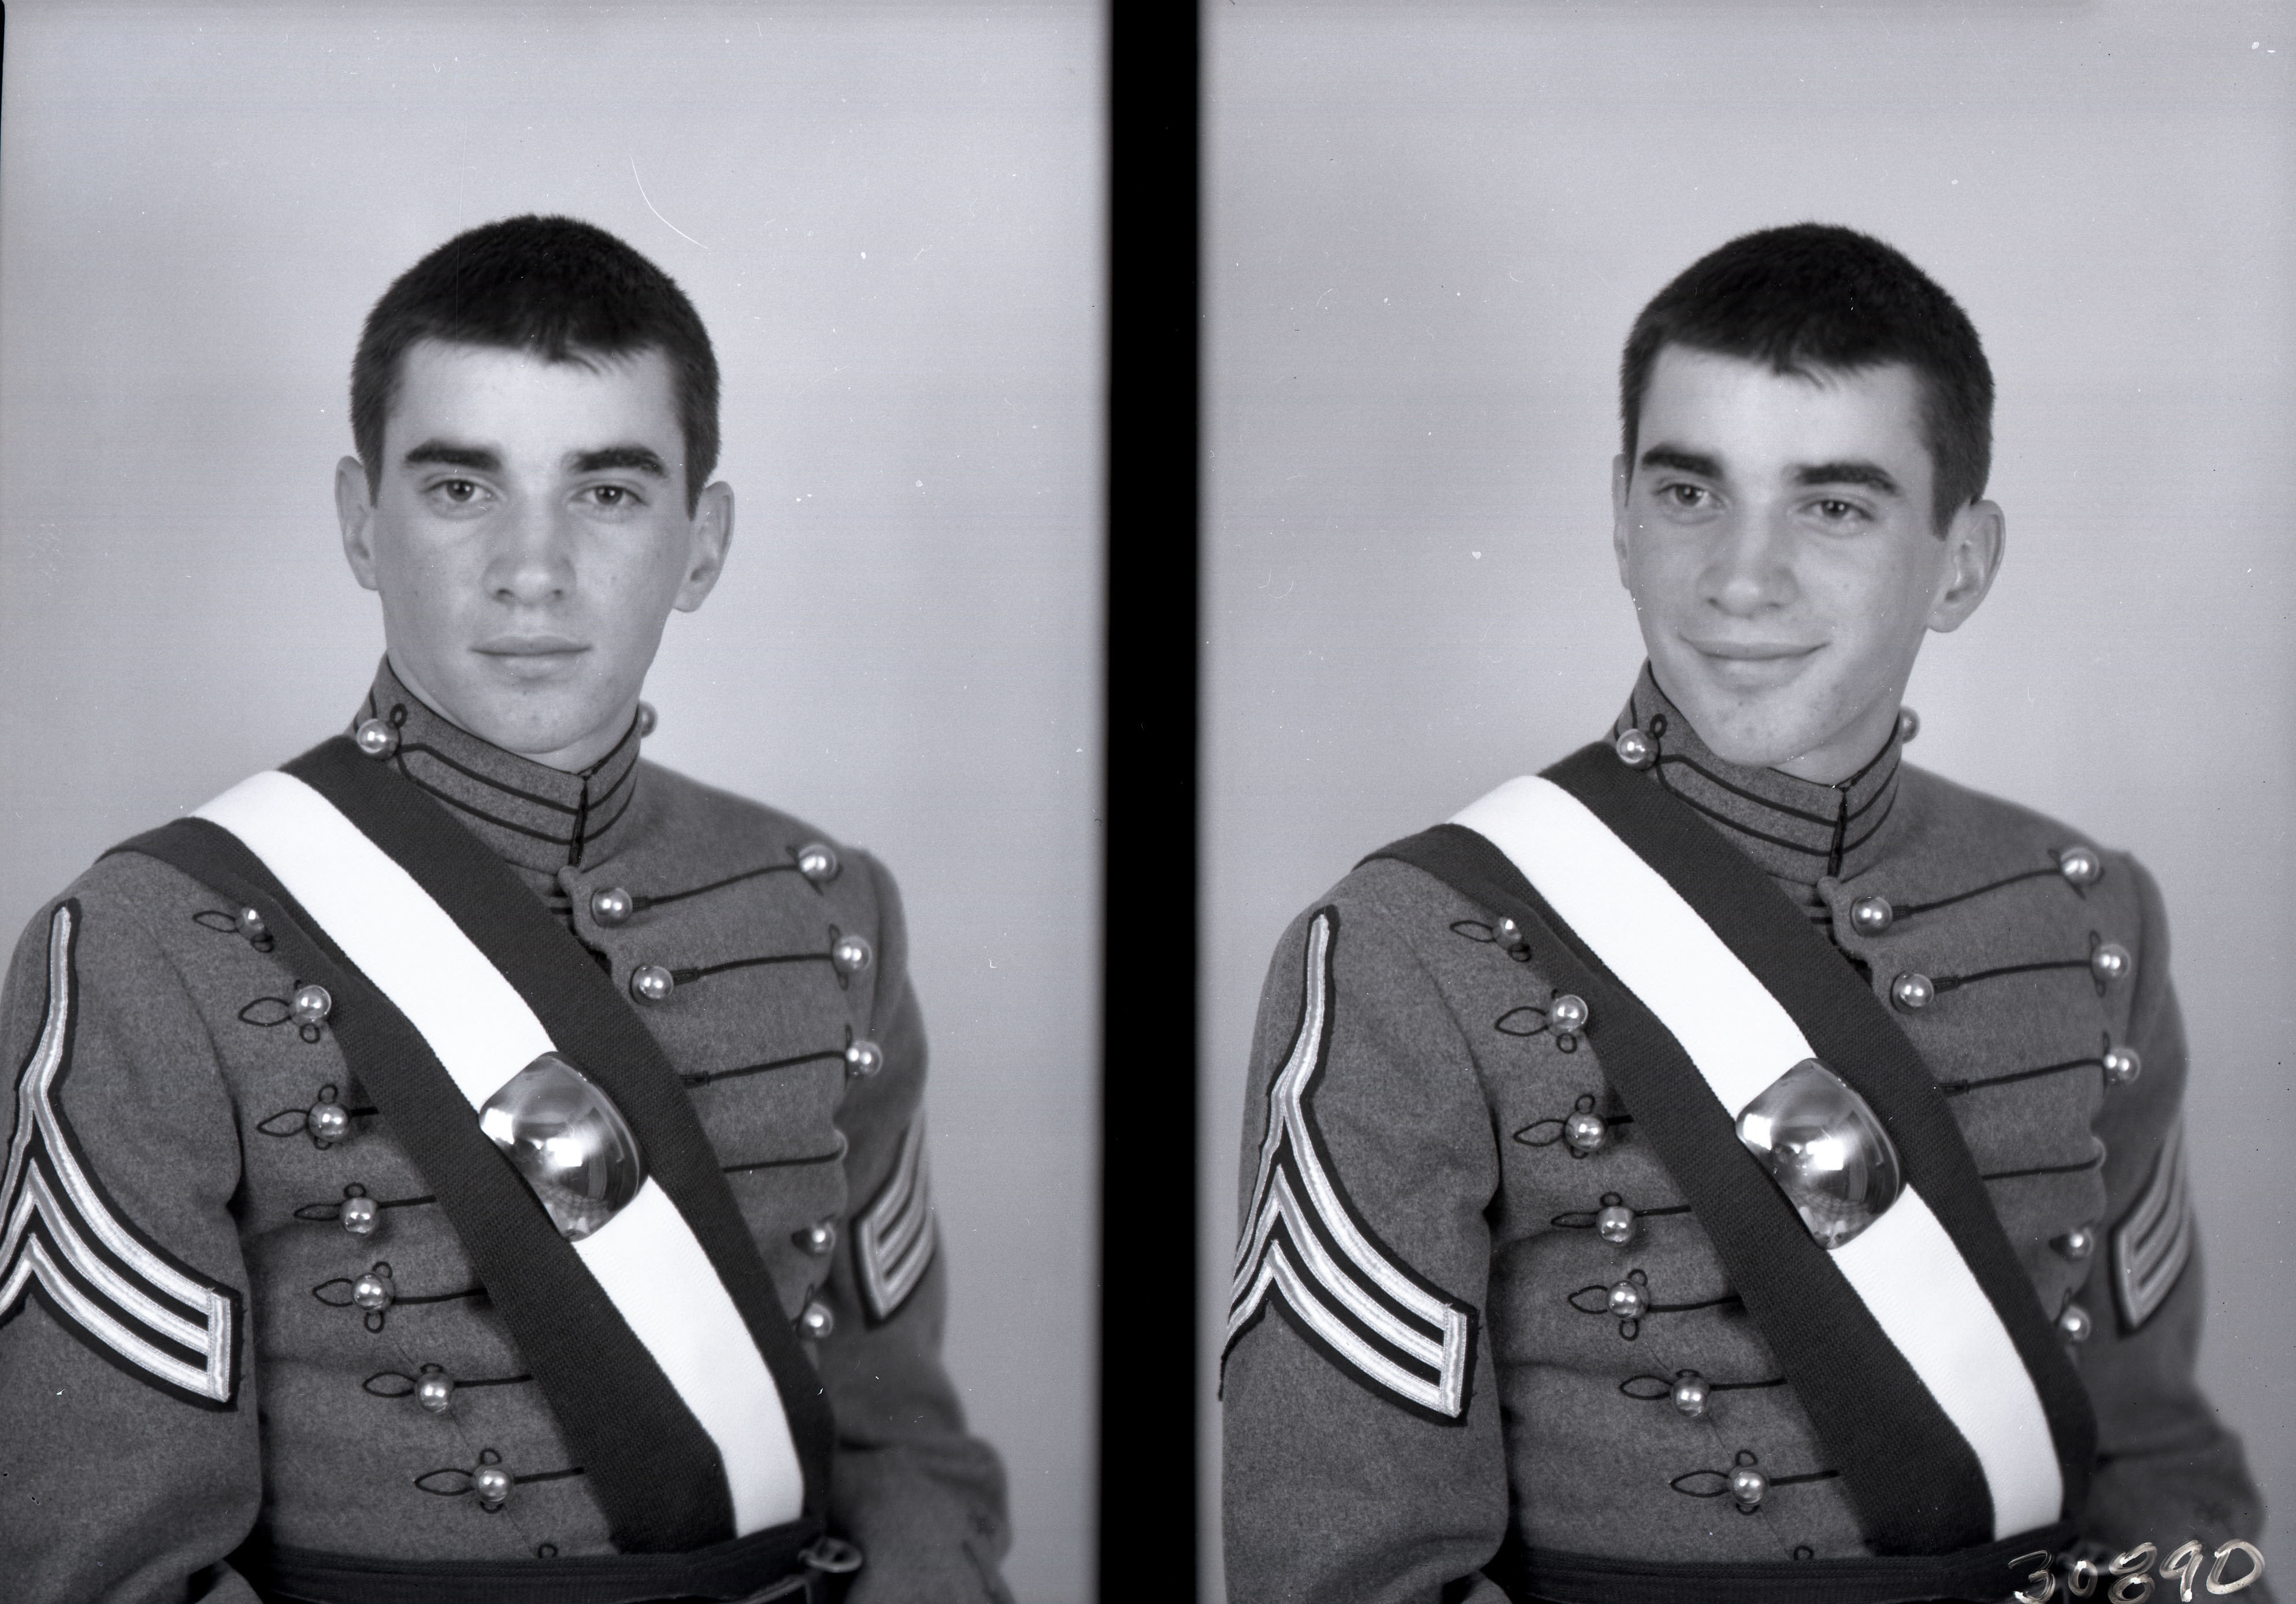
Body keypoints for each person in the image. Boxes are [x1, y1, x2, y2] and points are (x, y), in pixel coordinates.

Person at [1221, 224, 2266, 1604]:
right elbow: (1349, 1573)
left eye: (1832, 506)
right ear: (1619, 515)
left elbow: (2154, 1466)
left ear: (1961, 562)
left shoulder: (2087, 917)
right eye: (1688, 492)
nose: (1739, 579)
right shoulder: (1404, 950)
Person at [0, 214, 1011, 1604]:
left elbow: (903, 1447)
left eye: (608, 491)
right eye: (462, 486)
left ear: (703, 544)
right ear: (360, 522)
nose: (532, 569)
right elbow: (110, 1566)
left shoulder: (827, 910)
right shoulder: (145, 943)